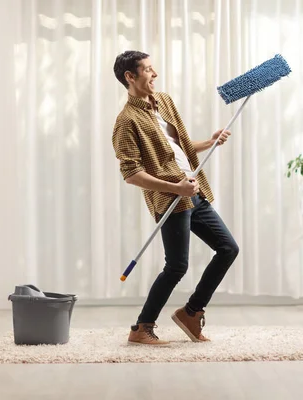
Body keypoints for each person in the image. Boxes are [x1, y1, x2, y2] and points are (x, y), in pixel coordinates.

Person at [112, 50, 240, 346]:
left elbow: (180, 147)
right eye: (147, 70)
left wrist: (210, 141)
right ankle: (141, 328)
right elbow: (131, 173)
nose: (154, 74)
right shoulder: (126, 121)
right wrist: (176, 189)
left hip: (194, 191)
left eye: (153, 68)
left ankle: (192, 313)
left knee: (228, 248)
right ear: (130, 77)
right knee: (177, 266)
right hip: (171, 200)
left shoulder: (164, 101)